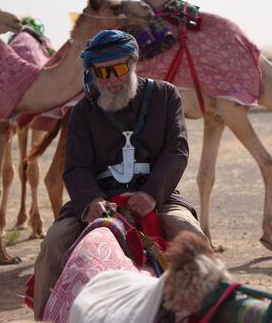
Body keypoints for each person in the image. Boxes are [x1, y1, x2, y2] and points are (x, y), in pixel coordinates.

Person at [33, 30, 208, 319]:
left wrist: (152, 193)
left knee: (192, 235)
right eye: (102, 72)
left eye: (120, 69)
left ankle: (207, 311)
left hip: (158, 195)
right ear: (92, 73)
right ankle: (45, 316)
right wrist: (91, 201)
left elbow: (177, 150)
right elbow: (76, 167)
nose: (112, 79)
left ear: (133, 63)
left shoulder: (165, 96)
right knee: (54, 242)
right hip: (101, 199)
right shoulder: (82, 113)